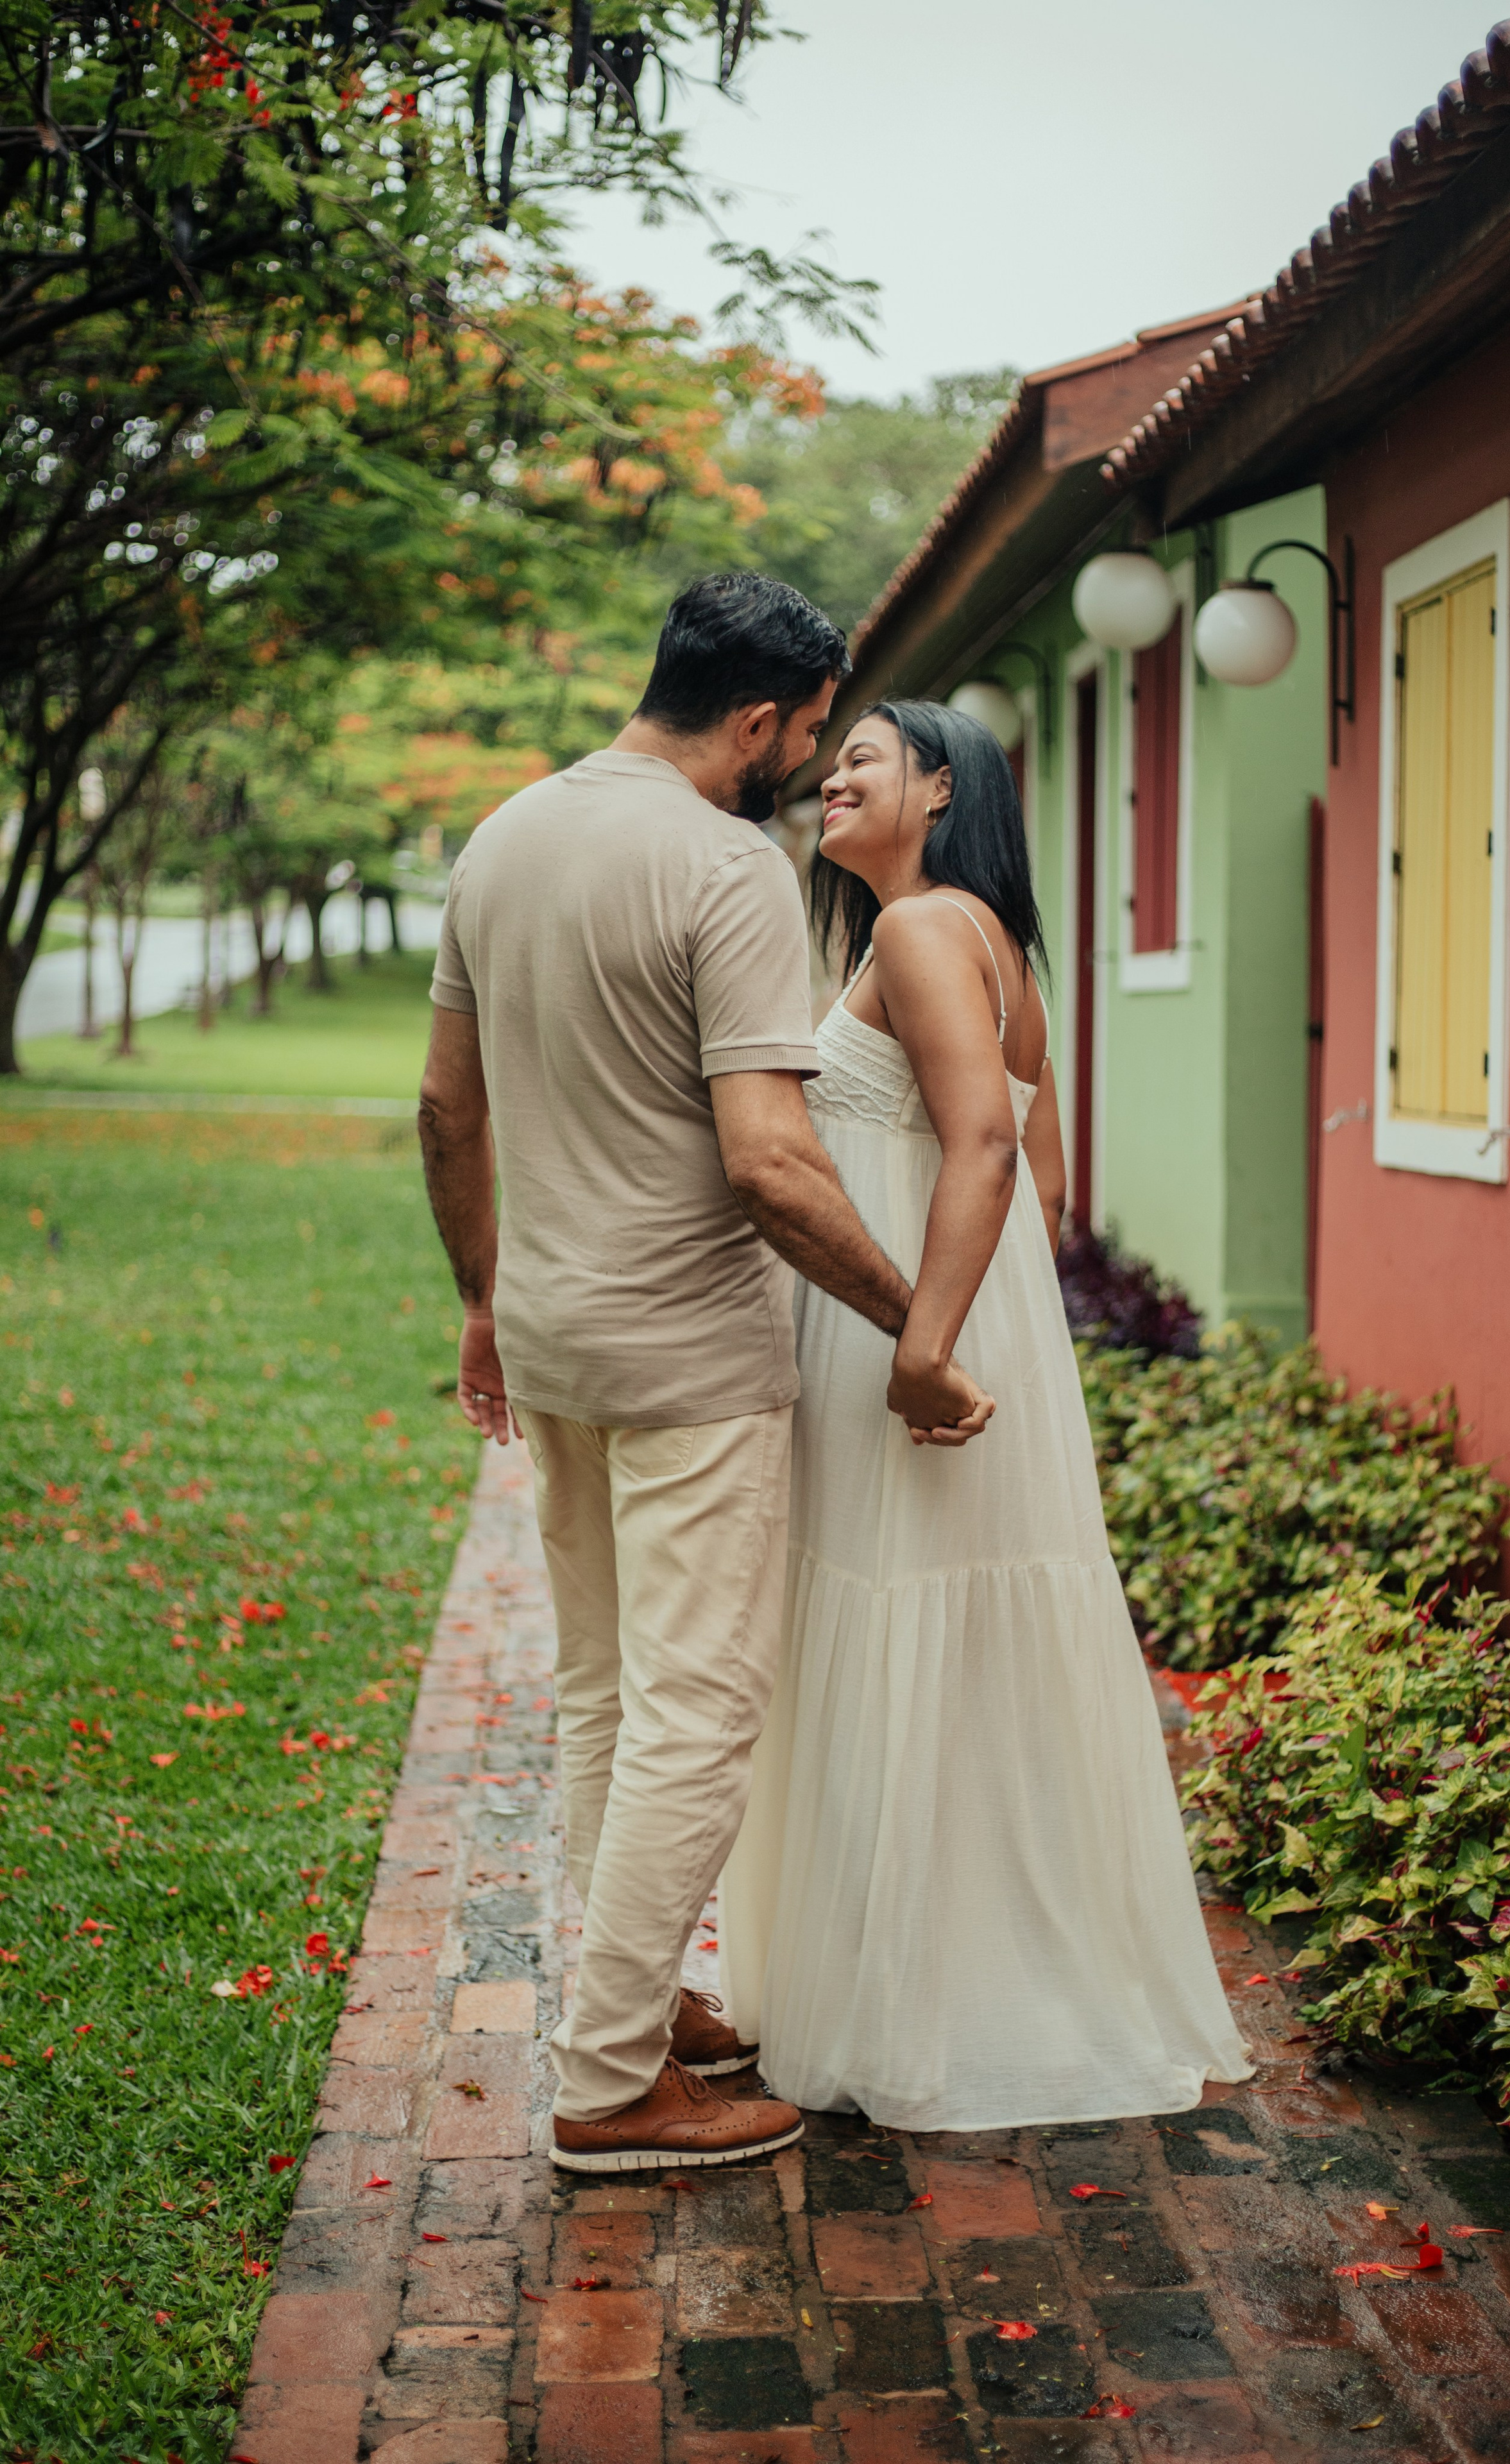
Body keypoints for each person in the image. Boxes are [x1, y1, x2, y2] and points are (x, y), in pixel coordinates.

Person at [416, 579, 992, 2175]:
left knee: (606, 1690)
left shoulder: (503, 837)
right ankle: (610, 2087)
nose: (805, 766)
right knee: (698, 1711)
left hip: (553, 1343)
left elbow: (446, 1109)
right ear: (756, 718)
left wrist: (481, 1298)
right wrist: (916, 1330)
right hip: (688, 1361)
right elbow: (770, 1162)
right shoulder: (724, 866)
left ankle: (639, 1994)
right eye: (806, 735)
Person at [720, 700, 1251, 2129]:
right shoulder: (995, 944)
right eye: (832, 759)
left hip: (912, 1338)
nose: (833, 777)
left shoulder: (913, 929)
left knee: (894, 1619)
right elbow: (1046, 1182)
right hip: (977, 1320)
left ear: (943, 789)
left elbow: (985, 1148)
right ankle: (968, 1975)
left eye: (864, 760)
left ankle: (901, 2004)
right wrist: (985, 1315)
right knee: (963, 1640)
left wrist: (921, 1346)